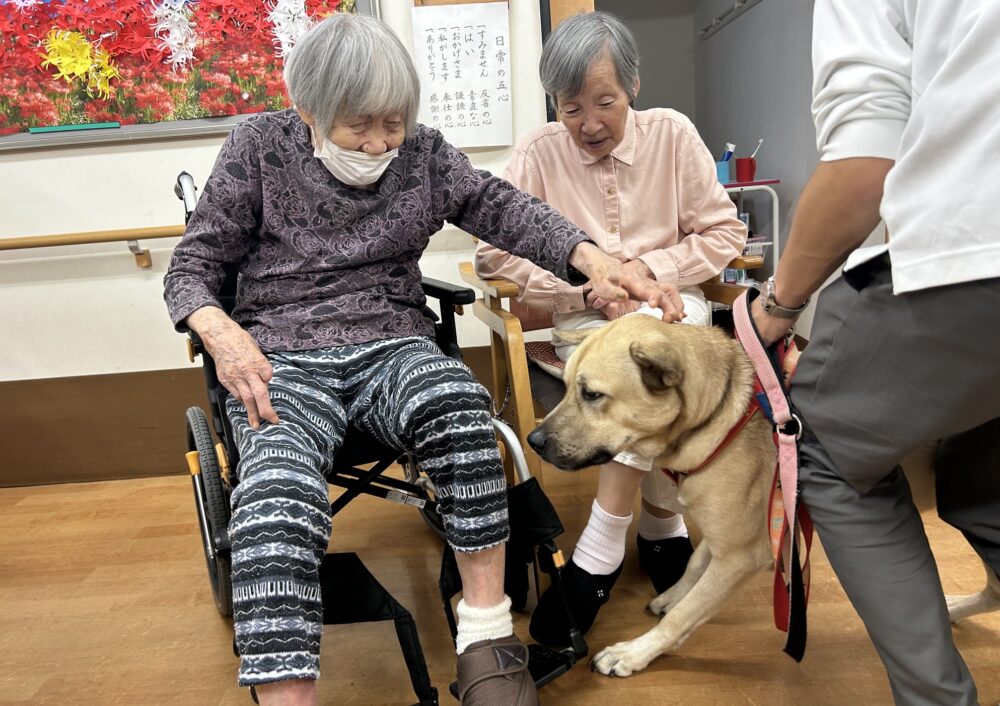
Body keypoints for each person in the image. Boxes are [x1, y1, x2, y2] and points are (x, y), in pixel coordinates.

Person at [163, 13, 681, 706]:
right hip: (282, 355)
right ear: (307, 109)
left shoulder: (423, 155)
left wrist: (597, 260)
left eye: (395, 122)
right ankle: (288, 694)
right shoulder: (257, 148)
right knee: (275, 493)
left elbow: (505, 210)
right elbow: (191, 267)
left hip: (393, 345)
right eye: (360, 125)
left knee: (464, 416)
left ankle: (486, 637)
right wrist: (222, 332)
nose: (381, 142)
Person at [750, 1, 1000, 703]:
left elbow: (862, 170)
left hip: (975, 244)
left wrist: (778, 305)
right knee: (974, 427)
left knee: (820, 442)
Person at [474, 11, 747, 647]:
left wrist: (646, 268)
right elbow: (493, 255)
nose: (589, 124)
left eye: (605, 102)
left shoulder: (673, 135)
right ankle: (653, 531)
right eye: (571, 109)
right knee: (633, 366)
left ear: (634, 88)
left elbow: (726, 232)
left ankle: (610, 541)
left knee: (653, 341)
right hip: (579, 331)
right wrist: (582, 283)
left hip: (672, 313)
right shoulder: (540, 152)